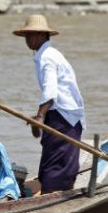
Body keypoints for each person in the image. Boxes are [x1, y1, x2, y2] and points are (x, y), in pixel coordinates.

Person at [14, 14, 86, 194]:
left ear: (42, 35)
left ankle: (55, 200)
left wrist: (40, 116)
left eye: (32, 35)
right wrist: (40, 119)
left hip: (64, 116)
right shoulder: (45, 55)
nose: (28, 40)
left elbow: (50, 91)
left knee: (57, 166)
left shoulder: (48, 57)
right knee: (54, 162)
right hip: (61, 115)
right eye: (26, 36)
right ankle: (57, 197)